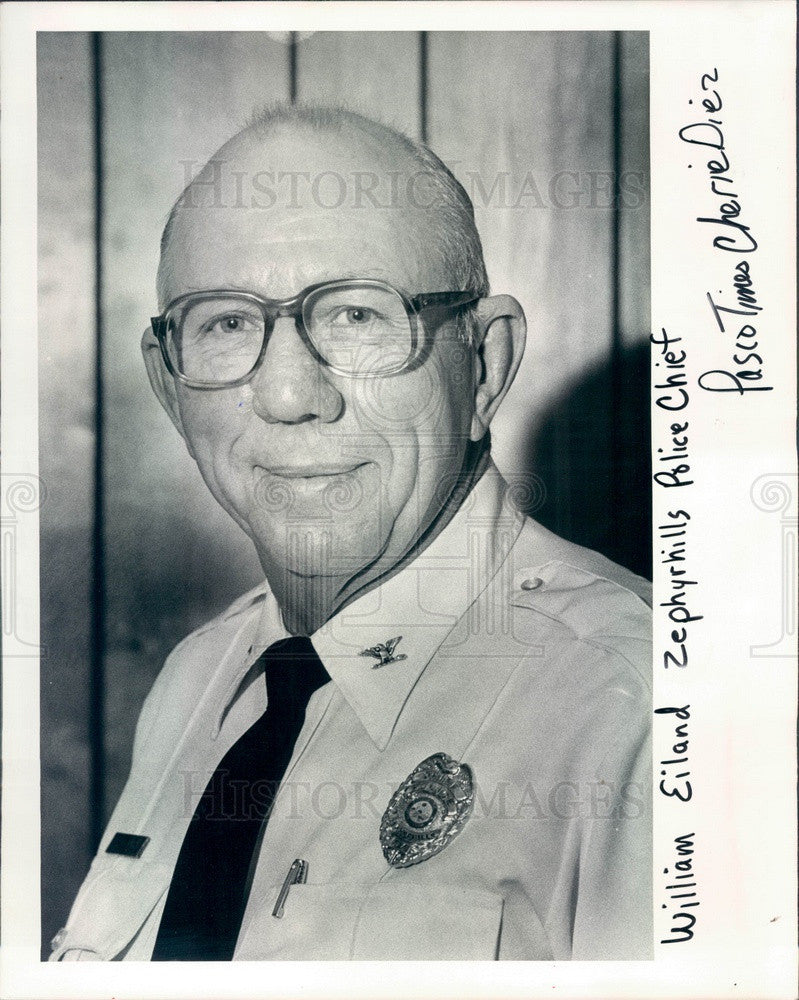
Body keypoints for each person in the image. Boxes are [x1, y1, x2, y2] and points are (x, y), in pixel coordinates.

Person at [50, 104, 652, 962]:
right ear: (169, 386)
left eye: (357, 318)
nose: (291, 396)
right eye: (225, 324)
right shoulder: (198, 680)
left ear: (483, 365)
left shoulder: (633, 710)